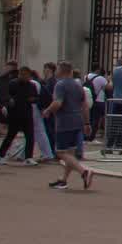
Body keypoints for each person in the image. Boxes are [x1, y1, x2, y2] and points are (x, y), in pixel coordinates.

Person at [44, 62, 96, 191]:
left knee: (60, 152)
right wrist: (87, 123)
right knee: (70, 153)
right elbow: (84, 105)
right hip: (77, 120)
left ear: (61, 71)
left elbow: (58, 102)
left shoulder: (60, 85)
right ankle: (63, 180)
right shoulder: (78, 85)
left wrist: (48, 110)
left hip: (64, 121)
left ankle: (84, 172)